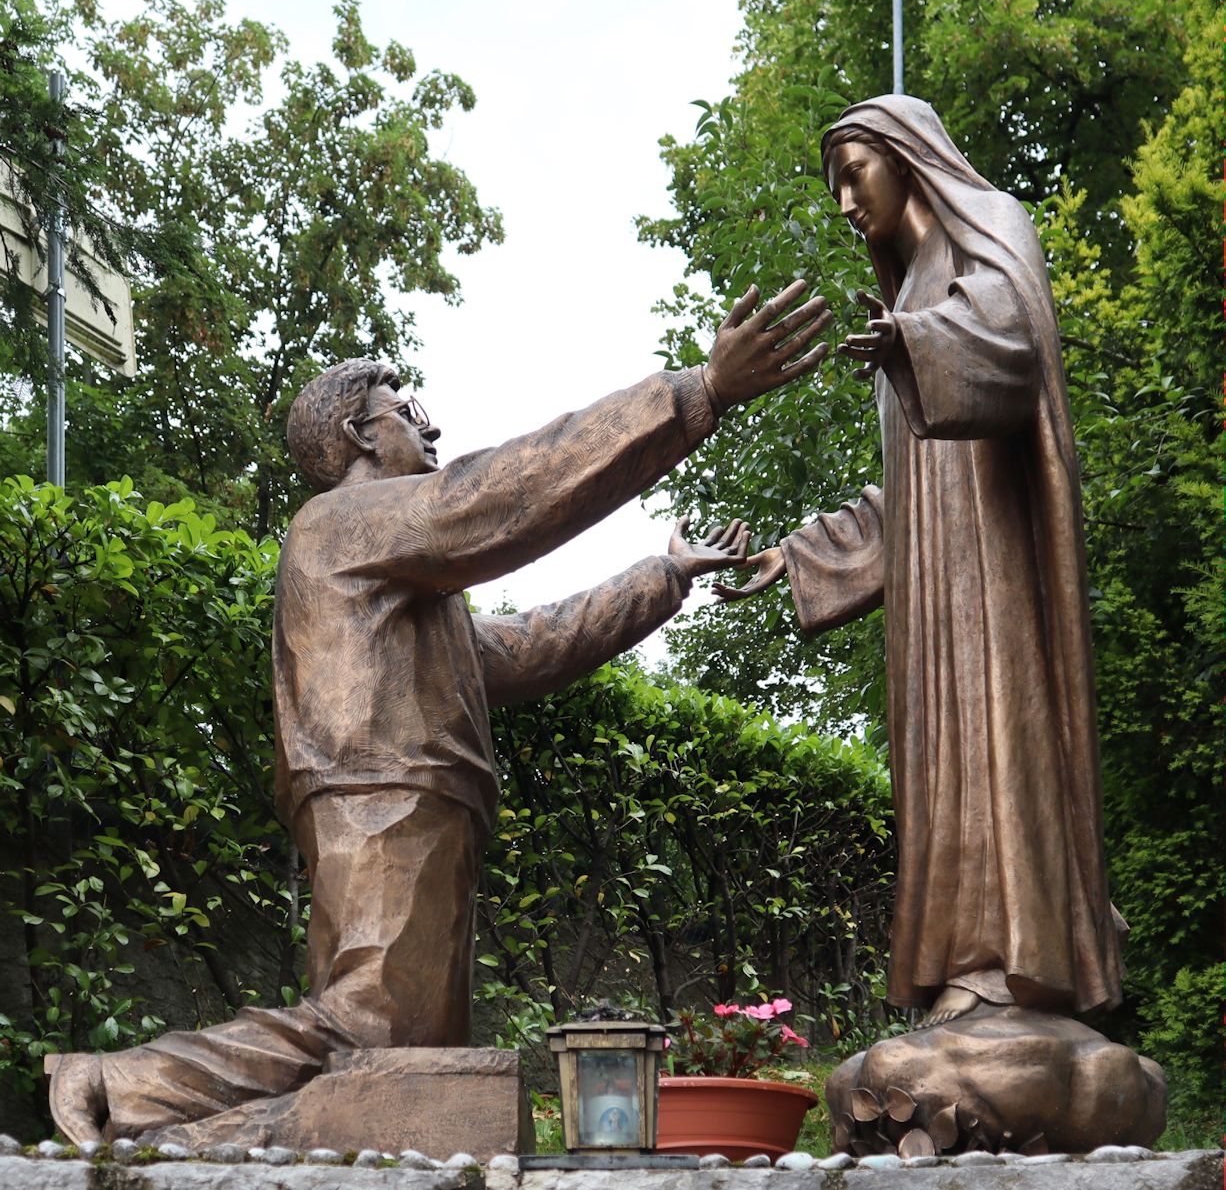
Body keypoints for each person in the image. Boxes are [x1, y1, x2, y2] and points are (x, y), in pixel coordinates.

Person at [49, 280, 833, 1143]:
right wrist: (696, 394)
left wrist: (663, 578)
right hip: (384, 801)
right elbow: (497, 498)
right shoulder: (340, 522)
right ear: (356, 434)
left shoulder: (416, 595)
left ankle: (180, 1140)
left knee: (400, 1064)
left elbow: (527, 644)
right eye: (406, 409)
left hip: (417, 805)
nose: (430, 428)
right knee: (372, 1032)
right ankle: (120, 1087)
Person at [716, 96, 1123, 1028]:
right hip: (934, 593)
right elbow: (910, 498)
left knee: (998, 749)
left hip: (1000, 571)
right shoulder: (900, 298)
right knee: (942, 770)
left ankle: (1018, 971)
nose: (846, 201)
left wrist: (916, 342)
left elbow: (1011, 356)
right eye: (833, 189)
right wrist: (802, 552)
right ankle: (962, 974)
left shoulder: (994, 230)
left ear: (905, 157)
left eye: (853, 173)